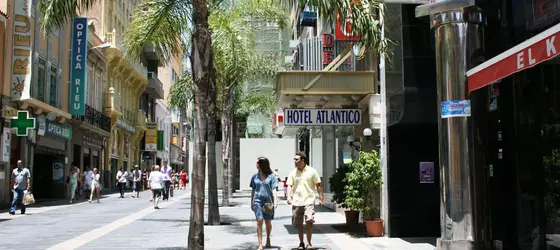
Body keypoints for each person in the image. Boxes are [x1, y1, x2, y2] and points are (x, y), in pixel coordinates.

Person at [286, 152, 324, 250]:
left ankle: (309, 243)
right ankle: (301, 242)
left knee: (309, 220)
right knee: (298, 224)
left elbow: (318, 184)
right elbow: (289, 185)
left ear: (303, 160)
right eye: (294, 159)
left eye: (296, 159)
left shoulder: (312, 171)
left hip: (309, 200)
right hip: (297, 201)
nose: (294, 161)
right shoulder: (293, 173)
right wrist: (289, 197)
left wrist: (321, 197)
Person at [250, 157, 277, 250]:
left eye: (258, 162)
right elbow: (253, 190)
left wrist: (275, 201)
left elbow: (274, 189)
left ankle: (268, 238)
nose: (256, 164)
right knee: (260, 220)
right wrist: (251, 202)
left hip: (268, 201)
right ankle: (260, 244)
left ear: (262, 164)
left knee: (268, 222)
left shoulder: (271, 176)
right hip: (257, 201)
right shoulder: (254, 176)